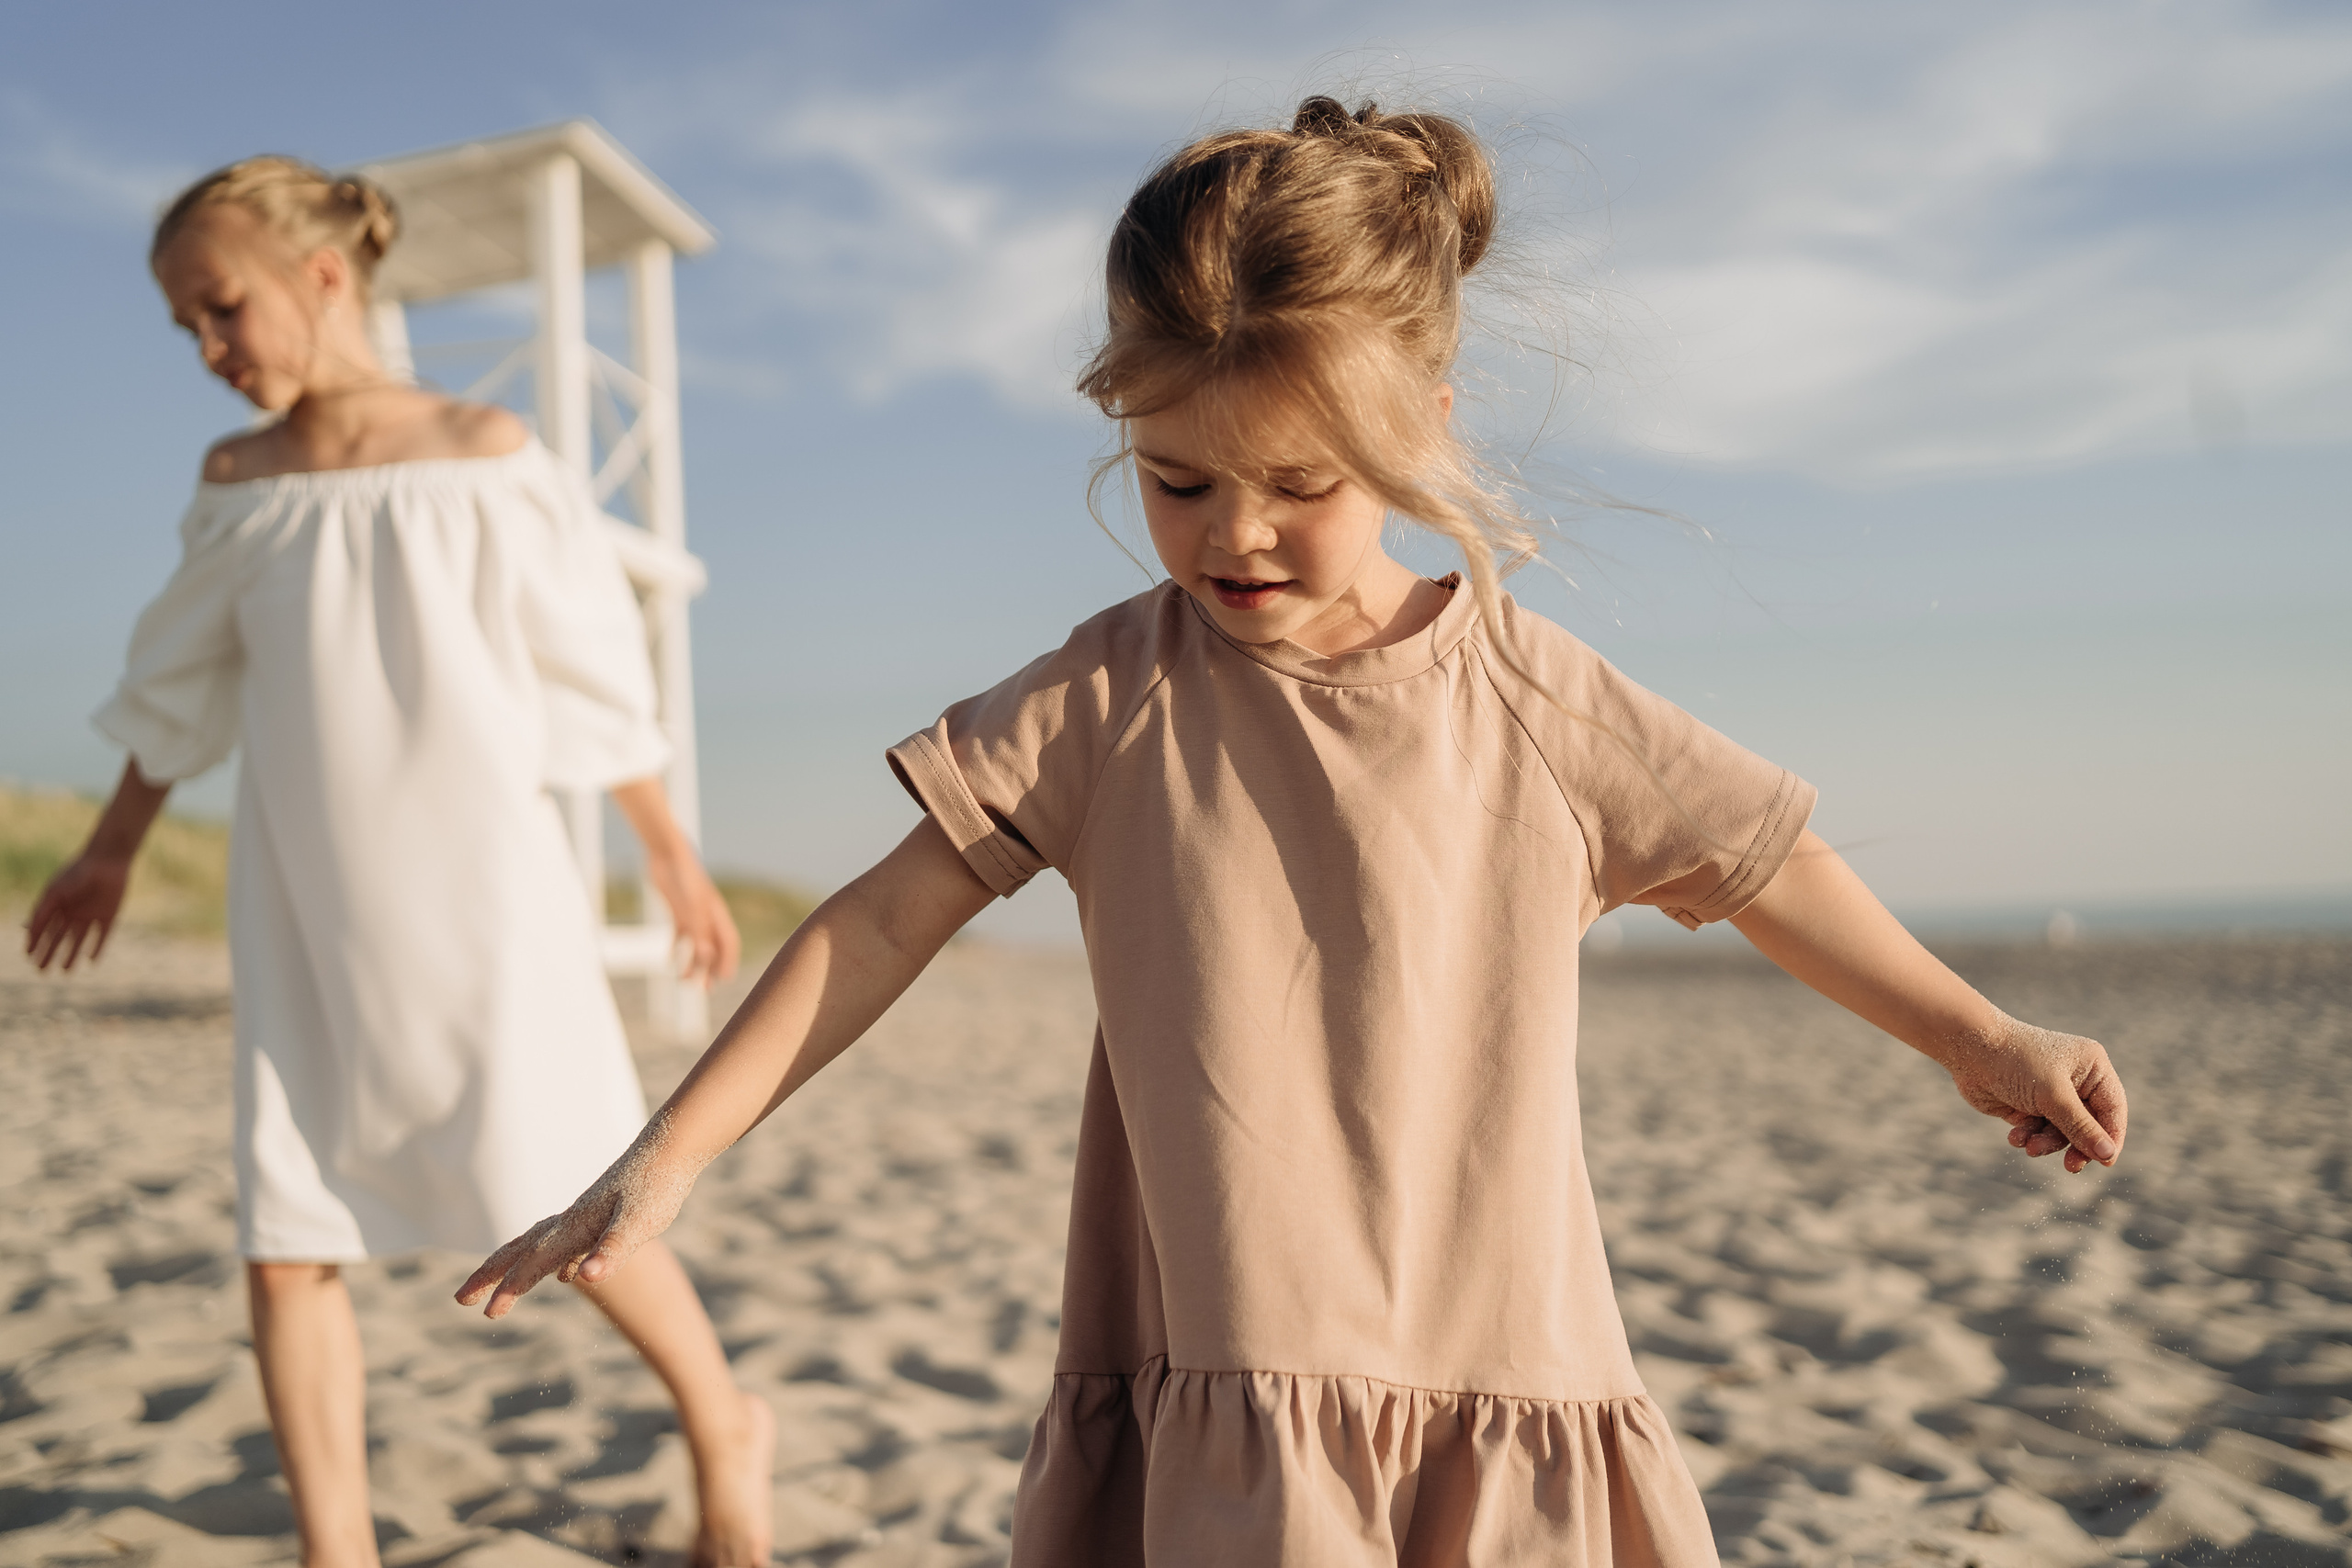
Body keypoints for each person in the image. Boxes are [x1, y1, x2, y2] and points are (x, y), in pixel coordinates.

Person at [458, 99, 2130, 1566]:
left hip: (1497, 1349)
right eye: (1177, 483)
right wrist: (666, 1159)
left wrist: (1981, 1034)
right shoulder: (1111, 695)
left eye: (1298, 483)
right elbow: (882, 920)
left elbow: (1767, 865)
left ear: (1423, 426)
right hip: (1227, 1347)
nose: (1233, 535)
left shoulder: (1536, 697)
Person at [24, 157, 774, 1568]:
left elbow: (590, 670)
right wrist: (112, 851)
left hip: (490, 902)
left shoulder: (489, 450)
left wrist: (667, 850)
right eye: (185, 328)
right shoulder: (238, 482)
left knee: (561, 1181)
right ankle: (337, 1548)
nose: (208, 351)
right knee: (287, 1222)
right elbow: (182, 685)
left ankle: (725, 1422)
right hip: (304, 901)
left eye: (222, 308)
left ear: (320, 276)